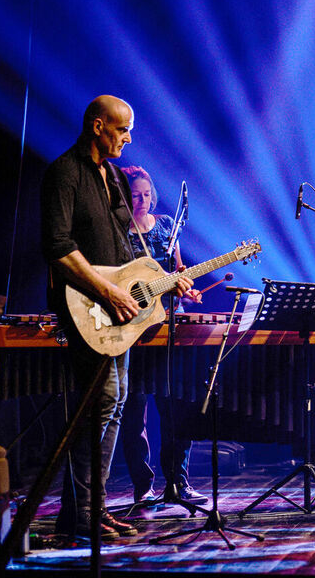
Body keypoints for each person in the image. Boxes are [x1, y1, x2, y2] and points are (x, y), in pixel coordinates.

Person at [41, 95, 198, 539]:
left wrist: (164, 280)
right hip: (87, 306)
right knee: (103, 404)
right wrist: (107, 291)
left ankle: (86, 511)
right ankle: (84, 515)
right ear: (98, 126)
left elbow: (125, 249)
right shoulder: (64, 173)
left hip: (118, 310)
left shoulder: (110, 176)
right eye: (122, 129)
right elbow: (57, 246)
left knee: (113, 404)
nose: (128, 138)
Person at [119, 166, 206, 506]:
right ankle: (143, 486)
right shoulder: (118, 230)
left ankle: (178, 483)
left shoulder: (168, 225)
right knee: (134, 412)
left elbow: (179, 271)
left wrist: (187, 289)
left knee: (176, 407)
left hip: (171, 325)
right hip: (135, 328)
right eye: (134, 195)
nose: (141, 200)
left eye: (146, 194)